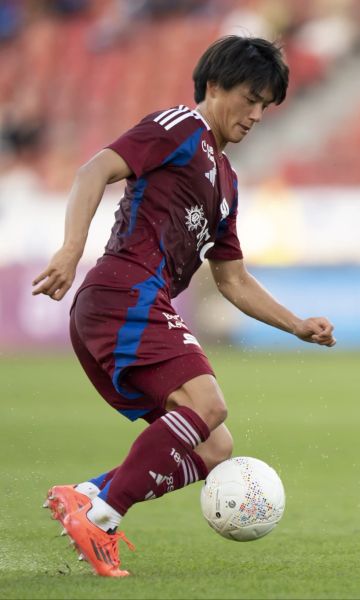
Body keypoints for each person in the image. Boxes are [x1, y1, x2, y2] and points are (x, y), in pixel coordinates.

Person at [31, 36, 336, 577]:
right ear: (214, 86)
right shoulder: (178, 127)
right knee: (209, 403)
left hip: (134, 303)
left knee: (216, 444)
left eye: (266, 106)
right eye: (251, 98)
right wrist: (70, 249)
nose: (257, 114)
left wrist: (296, 326)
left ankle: (85, 495)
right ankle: (101, 519)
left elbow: (234, 280)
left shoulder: (227, 183)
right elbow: (92, 171)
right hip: (124, 292)